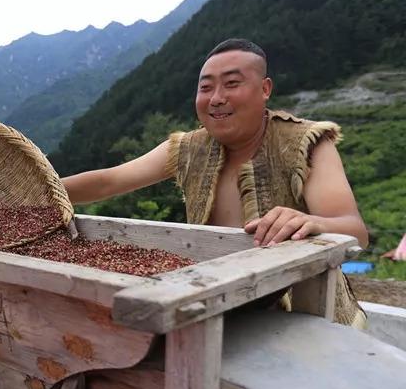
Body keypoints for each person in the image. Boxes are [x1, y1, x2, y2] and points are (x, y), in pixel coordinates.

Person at [63, 38, 368, 328]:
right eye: (206, 87)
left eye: (232, 84)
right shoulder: (188, 149)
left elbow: (355, 231)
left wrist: (310, 221)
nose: (217, 98)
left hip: (306, 318)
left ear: (265, 89)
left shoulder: (305, 142)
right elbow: (108, 181)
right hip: (216, 308)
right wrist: (34, 193)